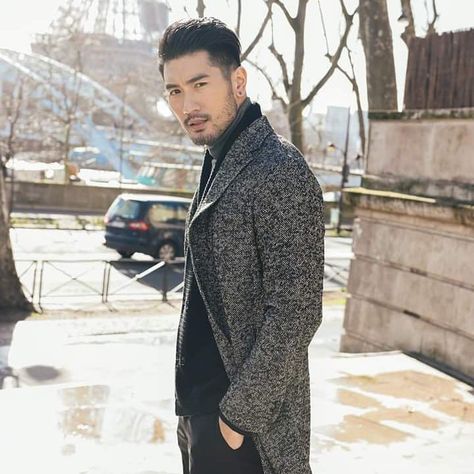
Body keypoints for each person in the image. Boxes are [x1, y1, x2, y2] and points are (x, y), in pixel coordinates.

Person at [158, 17, 325, 474]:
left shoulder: (279, 169)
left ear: (237, 81)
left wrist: (238, 417)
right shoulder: (219, 158)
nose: (187, 104)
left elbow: (297, 311)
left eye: (200, 84)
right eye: (175, 91)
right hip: (200, 410)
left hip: (244, 429)